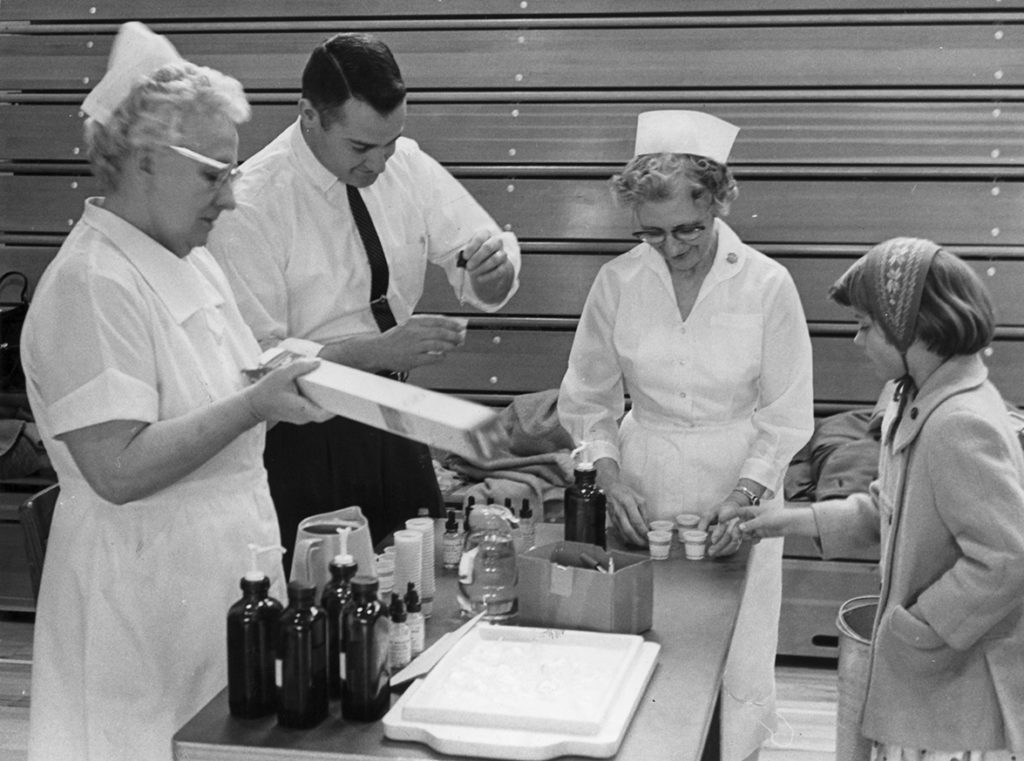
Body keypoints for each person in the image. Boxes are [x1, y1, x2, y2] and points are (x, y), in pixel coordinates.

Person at [20, 23, 331, 761]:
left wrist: (265, 372)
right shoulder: (94, 282)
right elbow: (118, 468)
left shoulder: (185, 254)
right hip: (141, 591)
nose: (229, 199)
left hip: (218, 572)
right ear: (144, 160)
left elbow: (208, 387)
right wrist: (254, 403)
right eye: (213, 175)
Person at [557, 110, 814, 761]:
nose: (671, 248)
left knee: (735, 651)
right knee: (647, 651)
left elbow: (785, 416)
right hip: (643, 483)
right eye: (652, 233)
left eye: (687, 230)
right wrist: (609, 477)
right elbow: (586, 400)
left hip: (740, 485)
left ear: (720, 200)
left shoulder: (766, 285)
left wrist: (748, 495)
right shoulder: (617, 282)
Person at [207, 32, 521, 562]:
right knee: (321, 609)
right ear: (309, 114)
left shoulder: (407, 165)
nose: (378, 163)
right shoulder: (252, 203)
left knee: (419, 591)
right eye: (360, 147)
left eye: (391, 141)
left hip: (395, 421)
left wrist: (491, 275)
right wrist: (375, 352)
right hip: (303, 435)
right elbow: (258, 363)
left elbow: (479, 258)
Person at [739, 238, 1024, 760]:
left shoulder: (958, 422)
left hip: (955, 690)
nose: (856, 338)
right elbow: (888, 509)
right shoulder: (916, 398)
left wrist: (918, 628)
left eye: (867, 324)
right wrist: (785, 520)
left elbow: (1007, 557)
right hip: (930, 678)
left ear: (909, 328)